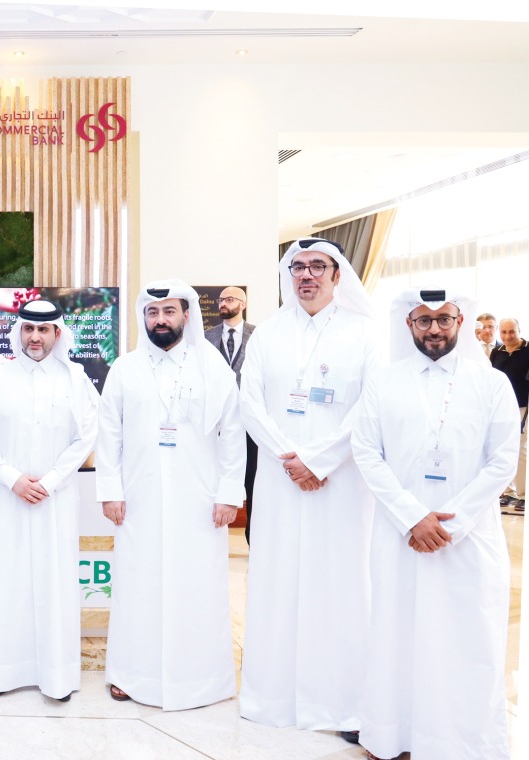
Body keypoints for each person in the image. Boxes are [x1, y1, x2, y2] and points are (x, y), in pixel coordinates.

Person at [352, 288, 518, 760]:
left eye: (444, 320)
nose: (435, 330)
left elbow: (503, 460)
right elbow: (366, 451)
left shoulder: (491, 384)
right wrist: (412, 517)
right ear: (409, 326)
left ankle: (463, 742)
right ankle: (393, 737)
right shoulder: (384, 382)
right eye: (424, 321)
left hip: (467, 537)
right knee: (396, 633)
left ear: (460, 321)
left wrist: (452, 523)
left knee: (467, 637)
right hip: (399, 533)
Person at [237, 238, 380, 741]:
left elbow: (371, 407)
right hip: (281, 481)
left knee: (339, 584)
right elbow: (250, 403)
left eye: (318, 266)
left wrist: (319, 461)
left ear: (338, 274)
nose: (307, 275)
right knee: (278, 581)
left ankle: (343, 704)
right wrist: (289, 459)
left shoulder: (367, 333)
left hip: (342, 483)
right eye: (297, 266)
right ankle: (271, 696)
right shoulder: (270, 334)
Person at [98, 281, 243, 709]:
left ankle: (202, 680)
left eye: (168, 311)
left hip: (199, 498)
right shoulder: (125, 368)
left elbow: (232, 434)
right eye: (152, 312)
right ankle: (130, 674)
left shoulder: (211, 366)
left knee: (198, 586)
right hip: (138, 496)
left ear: (186, 315)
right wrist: (110, 489)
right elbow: (109, 434)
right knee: (136, 584)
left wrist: (229, 493)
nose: (160, 320)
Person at [0, 299, 99, 701]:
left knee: (53, 581)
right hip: (6, 498)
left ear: (57, 333)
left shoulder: (76, 379)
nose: (35, 337)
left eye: (44, 330)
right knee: (3, 580)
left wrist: (53, 480)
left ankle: (55, 677)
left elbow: (87, 436)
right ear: (18, 332)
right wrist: (13, 479)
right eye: (28, 329)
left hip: (55, 500)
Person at [204, 285, 258, 543]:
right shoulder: (204, 338)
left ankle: (254, 541)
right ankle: (210, 539)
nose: (222, 303)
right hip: (213, 423)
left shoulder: (259, 336)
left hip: (250, 423)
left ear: (243, 304)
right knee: (211, 478)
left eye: (229, 299)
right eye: (220, 299)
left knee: (253, 482)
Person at [490, 318, 529, 510]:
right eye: (503, 332)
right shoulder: (496, 352)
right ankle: (507, 491)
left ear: (519, 330)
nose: (507, 336)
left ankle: (523, 494)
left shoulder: (528, 349)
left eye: (511, 332)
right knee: (503, 448)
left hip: (523, 406)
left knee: (521, 449)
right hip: (501, 407)